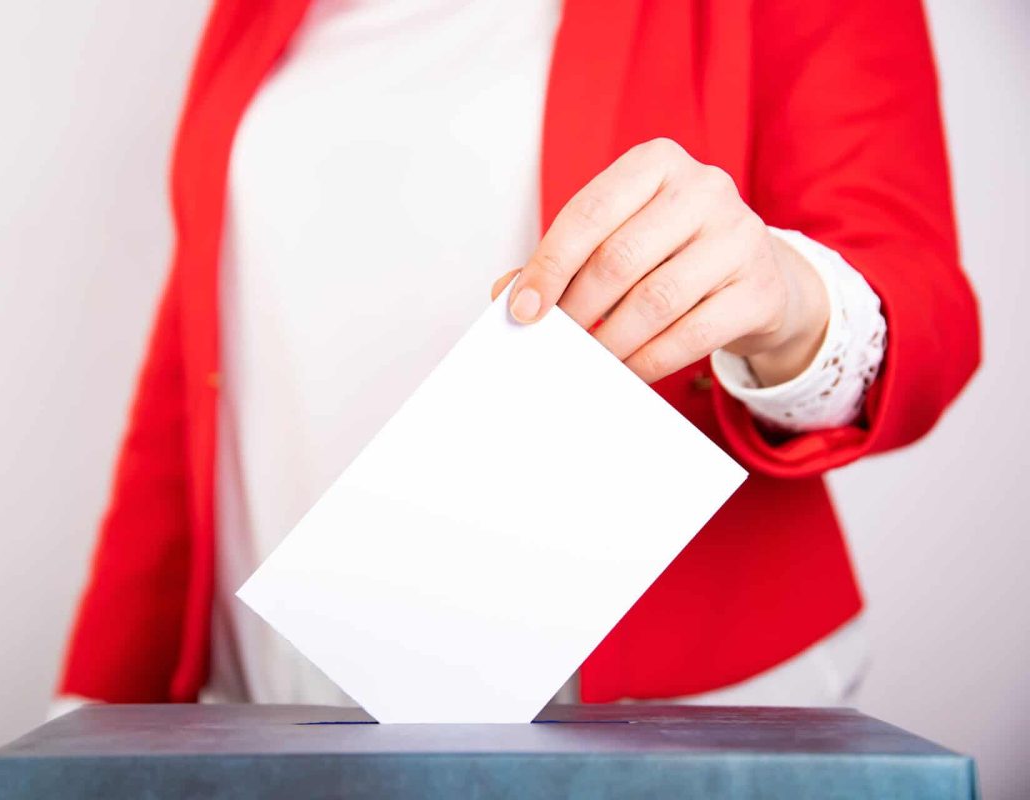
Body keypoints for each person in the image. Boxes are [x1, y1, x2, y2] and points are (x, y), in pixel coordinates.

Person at [54, 0, 979, 713]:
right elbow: (203, 359)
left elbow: (923, 300)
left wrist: (786, 299)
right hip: (281, 706)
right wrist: (90, 710)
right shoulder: (254, 14)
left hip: (660, 721)